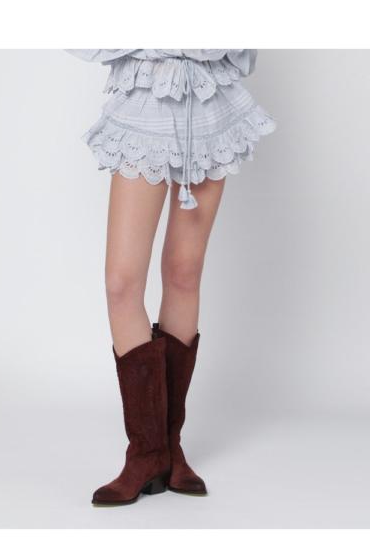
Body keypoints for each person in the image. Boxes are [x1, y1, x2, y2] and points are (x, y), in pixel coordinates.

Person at [67, 49, 276, 505]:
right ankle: (145, 451)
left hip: (208, 99)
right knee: (121, 282)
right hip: (146, 94)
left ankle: (167, 446)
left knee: (184, 271)